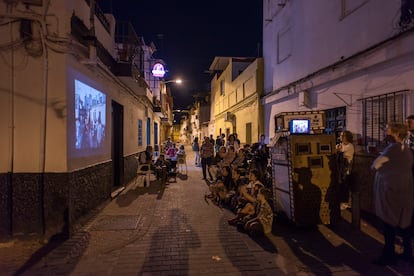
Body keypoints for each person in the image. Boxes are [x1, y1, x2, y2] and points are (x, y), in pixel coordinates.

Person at [371, 122, 414, 266]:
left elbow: (375, 165)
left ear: (394, 133)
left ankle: (389, 255)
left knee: (388, 224)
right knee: (404, 223)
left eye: (387, 129)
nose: (384, 131)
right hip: (404, 190)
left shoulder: (393, 149)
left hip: (391, 192)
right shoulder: (405, 148)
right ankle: (407, 252)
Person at [335, 130, 355, 210]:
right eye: (340, 135)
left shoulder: (350, 146)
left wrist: (338, 150)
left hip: (345, 170)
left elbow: (340, 152)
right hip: (339, 170)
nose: (341, 137)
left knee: (344, 186)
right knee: (340, 186)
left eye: (343, 136)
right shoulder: (340, 145)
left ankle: (345, 202)